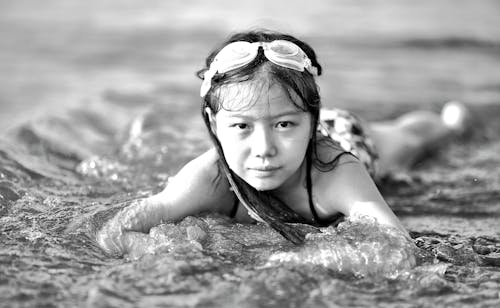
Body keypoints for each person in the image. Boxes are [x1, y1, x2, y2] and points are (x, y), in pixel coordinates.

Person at [96, 29, 469, 255]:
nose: (264, 148)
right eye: (241, 127)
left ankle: (448, 123)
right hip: (310, 129)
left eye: (284, 125)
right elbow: (117, 230)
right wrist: (156, 254)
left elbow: (399, 246)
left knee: (408, 139)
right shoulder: (209, 177)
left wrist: (306, 259)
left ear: (310, 121)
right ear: (213, 123)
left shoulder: (336, 171)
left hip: (349, 139)